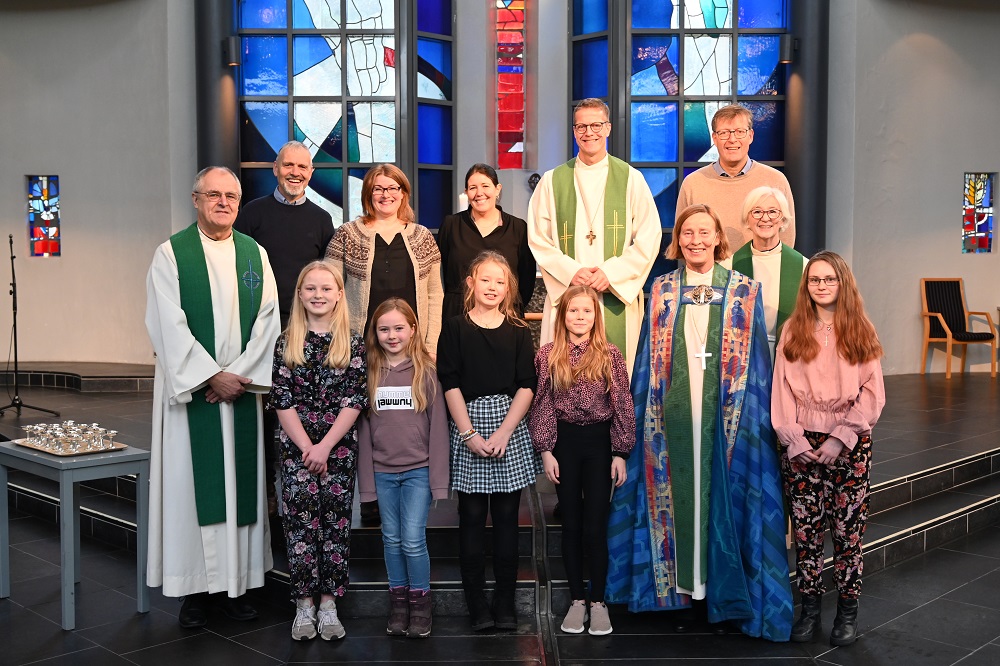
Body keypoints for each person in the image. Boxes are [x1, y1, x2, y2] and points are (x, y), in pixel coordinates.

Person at [605, 204, 793, 641]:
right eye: (687, 233)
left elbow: (758, 367)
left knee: (718, 494)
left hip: (726, 418)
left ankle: (719, 594)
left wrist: (755, 423)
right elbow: (646, 361)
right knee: (679, 496)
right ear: (679, 240)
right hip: (670, 416)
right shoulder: (663, 289)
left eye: (703, 232)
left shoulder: (745, 291)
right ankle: (682, 592)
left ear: (716, 238)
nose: (694, 240)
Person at [145, 166, 281, 629]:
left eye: (232, 196)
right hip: (195, 400)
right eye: (214, 195)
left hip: (239, 392)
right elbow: (167, 325)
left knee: (239, 491)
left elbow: (269, 321)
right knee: (191, 489)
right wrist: (209, 377)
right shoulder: (171, 255)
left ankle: (237, 586)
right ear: (195, 198)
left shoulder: (253, 254)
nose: (223, 202)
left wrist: (237, 376)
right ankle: (194, 593)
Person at [772, 251, 885, 647]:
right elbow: (781, 391)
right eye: (815, 280)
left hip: (849, 443)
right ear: (807, 286)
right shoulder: (793, 329)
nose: (821, 286)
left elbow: (873, 394)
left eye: (829, 279)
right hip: (804, 441)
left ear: (843, 283)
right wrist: (794, 440)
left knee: (847, 533)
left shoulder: (860, 329)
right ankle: (809, 610)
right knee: (806, 533)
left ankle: (847, 612)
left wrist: (842, 436)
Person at [325, 163, 442, 525]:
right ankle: (368, 496)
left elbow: (435, 293)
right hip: (362, 345)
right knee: (363, 417)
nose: (386, 194)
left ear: (404, 194)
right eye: (378, 188)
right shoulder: (347, 234)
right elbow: (330, 290)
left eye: (393, 188)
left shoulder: (422, 237)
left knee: (402, 417)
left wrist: (430, 343)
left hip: (411, 346)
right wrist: (338, 341)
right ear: (367, 195)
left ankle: (408, 488)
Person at [436, 251, 537, 631]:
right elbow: (450, 382)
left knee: (509, 519)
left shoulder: (518, 331)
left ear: (508, 288)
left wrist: (505, 431)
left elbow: (527, 384)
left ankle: (505, 602)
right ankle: (476, 603)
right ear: (471, 284)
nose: (492, 287)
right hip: (470, 423)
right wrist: (469, 434)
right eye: (486, 279)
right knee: (473, 518)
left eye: (500, 281)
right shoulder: (456, 328)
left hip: (509, 424)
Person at [235, 140, 335, 515]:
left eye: (303, 167)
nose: (295, 172)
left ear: (311, 173)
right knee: (265, 408)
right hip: (261, 328)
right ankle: (268, 489)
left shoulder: (322, 219)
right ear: (275, 169)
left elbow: (326, 277)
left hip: (306, 330)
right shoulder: (252, 214)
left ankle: (310, 477)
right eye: (288, 165)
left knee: (303, 407)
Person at [270, 260, 368, 641]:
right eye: (310, 288)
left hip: (338, 450)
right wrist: (308, 447)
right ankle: (304, 605)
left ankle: (329, 604)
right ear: (299, 294)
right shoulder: (286, 341)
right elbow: (282, 399)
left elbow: (354, 399)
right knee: (299, 527)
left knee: (335, 527)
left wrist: (325, 446)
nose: (318, 295)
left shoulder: (353, 341)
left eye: (326, 289)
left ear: (340, 295)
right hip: (297, 448)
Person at [527, 97, 661, 375]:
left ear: (608, 128)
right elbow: (538, 237)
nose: (589, 132)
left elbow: (649, 236)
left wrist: (610, 273)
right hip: (569, 291)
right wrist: (572, 272)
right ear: (574, 131)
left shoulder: (631, 178)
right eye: (581, 126)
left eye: (596, 125)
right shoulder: (552, 181)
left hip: (614, 293)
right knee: (564, 379)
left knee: (617, 380)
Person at [529, 284, 634, 636]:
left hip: (600, 443)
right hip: (565, 443)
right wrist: (545, 449)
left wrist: (620, 452)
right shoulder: (547, 355)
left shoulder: (609, 354)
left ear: (595, 316)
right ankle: (577, 600)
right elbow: (541, 404)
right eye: (573, 310)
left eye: (586, 311)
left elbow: (622, 403)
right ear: (563, 315)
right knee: (571, 524)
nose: (579, 316)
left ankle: (599, 602)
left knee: (595, 525)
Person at [358, 298, 449, 638]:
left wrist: (439, 483)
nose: (392, 335)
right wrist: (366, 486)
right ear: (375, 332)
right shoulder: (367, 372)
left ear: (413, 330)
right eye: (384, 329)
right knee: (391, 538)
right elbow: (363, 431)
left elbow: (439, 429)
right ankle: (398, 601)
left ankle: (420, 601)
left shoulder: (427, 371)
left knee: (412, 540)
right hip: (382, 472)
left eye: (399, 328)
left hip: (418, 471)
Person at [675, 104, 796, 251]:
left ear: (750, 136)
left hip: (761, 271)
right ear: (714, 138)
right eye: (724, 133)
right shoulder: (693, 183)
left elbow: (787, 237)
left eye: (740, 132)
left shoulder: (776, 180)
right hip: (710, 273)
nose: (732, 139)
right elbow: (683, 238)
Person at [438, 163, 536, 320]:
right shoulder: (451, 225)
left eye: (485, 186)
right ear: (466, 192)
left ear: (497, 189)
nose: (479, 193)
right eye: (472, 188)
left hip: (505, 314)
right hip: (458, 315)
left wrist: (510, 305)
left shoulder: (518, 228)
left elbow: (526, 280)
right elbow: (441, 274)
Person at [729, 187, 806, 357]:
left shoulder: (803, 266)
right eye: (757, 212)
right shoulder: (729, 267)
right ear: (747, 219)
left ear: (783, 219)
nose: (765, 218)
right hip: (744, 357)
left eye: (773, 212)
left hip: (791, 354)